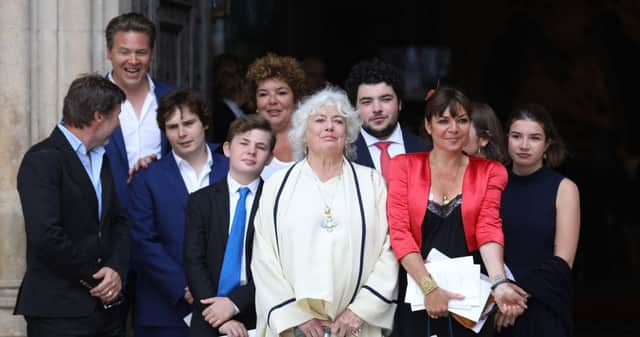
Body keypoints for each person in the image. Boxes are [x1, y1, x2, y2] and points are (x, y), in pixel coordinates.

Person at [251, 86, 399, 337]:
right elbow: (264, 256)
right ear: (303, 135)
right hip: (296, 328)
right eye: (319, 120)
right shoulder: (278, 185)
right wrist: (297, 318)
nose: (329, 127)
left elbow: (390, 248)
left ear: (349, 134)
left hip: (355, 326)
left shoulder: (371, 183)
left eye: (338, 121)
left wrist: (359, 311)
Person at [387, 86, 528, 337]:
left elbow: (488, 228)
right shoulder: (403, 166)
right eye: (443, 121)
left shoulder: (490, 171)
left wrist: (499, 282)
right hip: (419, 290)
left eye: (462, 120)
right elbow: (399, 233)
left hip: (469, 298)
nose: (454, 129)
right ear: (429, 126)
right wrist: (429, 288)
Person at [14, 74, 129, 336]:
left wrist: (116, 269)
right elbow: (46, 235)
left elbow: (118, 221)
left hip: (107, 312)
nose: (119, 125)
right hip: (59, 312)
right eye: (117, 116)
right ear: (99, 117)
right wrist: (98, 277)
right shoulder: (42, 160)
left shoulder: (102, 157)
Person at [128, 90, 229, 337]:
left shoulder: (232, 167)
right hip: (165, 308)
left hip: (227, 304)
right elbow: (143, 241)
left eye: (188, 123)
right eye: (172, 127)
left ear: (204, 123)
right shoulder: (147, 177)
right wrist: (185, 287)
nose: (182, 133)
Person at [184, 115, 275, 337]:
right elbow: (193, 261)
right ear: (227, 149)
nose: (251, 151)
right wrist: (216, 314)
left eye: (260, 146)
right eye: (243, 143)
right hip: (208, 313)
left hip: (259, 314)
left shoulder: (276, 204)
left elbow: (278, 268)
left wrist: (233, 304)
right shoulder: (201, 200)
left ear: (270, 158)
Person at [497, 104, 580, 337]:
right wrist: (501, 291)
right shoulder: (493, 182)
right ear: (507, 139)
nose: (524, 145)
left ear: (547, 144)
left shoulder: (564, 188)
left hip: (543, 303)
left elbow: (563, 260)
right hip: (495, 305)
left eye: (534, 138)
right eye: (516, 136)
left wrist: (515, 296)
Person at [104, 12, 176, 208]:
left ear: (151, 54)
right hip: (108, 219)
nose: (133, 60)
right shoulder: (90, 100)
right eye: (124, 52)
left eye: (141, 52)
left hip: (161, 213)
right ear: (109, 52)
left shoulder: (172, 98)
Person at [344, 58, 430, 180]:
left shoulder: (425, 149)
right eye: (367, 102)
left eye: (386, 99)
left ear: (400, 103)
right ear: (354, 108)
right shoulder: (343, 154)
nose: (377, 108)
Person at [245, 53, 307, 179]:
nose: (272, 101)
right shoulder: (244, 144)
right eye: (263, 94)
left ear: (296, 99)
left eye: (281, 93)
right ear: (255, 102)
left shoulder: (312, 139)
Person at [208, 53, 250, 143]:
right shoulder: (219, 112)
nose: (234, 79)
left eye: (237, 73)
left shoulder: (247, 110)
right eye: (226, 74)